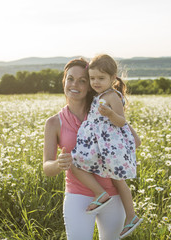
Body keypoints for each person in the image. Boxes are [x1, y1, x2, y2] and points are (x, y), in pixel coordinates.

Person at [43, 58, 141, 240]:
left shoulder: (102, 109)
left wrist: (107, 146)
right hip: (77, 196)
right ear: (64, 81)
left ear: (90, 85)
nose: (75, 84)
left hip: (113, 194)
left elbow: (134, 140)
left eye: (82, 80)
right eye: (70, 78)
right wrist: (59, 163)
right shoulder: (54, 122)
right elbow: (47, 167)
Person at [71, 54, 143, 239]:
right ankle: (104, 196)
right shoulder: (100, 95)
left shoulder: (112, 96)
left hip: (111, 147)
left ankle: (130, 214)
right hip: (101, 147)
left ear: (113, 78)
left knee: (116, 179)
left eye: (101, 78)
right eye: (92, 78)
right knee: (79, 165)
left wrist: (111, 114)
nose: (95, 82)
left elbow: (121, 121)